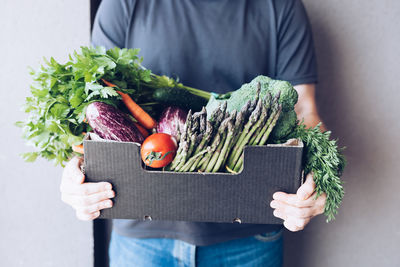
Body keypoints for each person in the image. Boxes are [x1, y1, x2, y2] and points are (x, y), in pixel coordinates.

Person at [60, 0, 327, 266]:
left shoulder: (280, 6)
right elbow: (98, 108)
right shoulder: (123, 4)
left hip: (249, 234)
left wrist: (320, 176)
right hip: (142, 235)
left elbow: (303, 107)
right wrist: (79, 169)